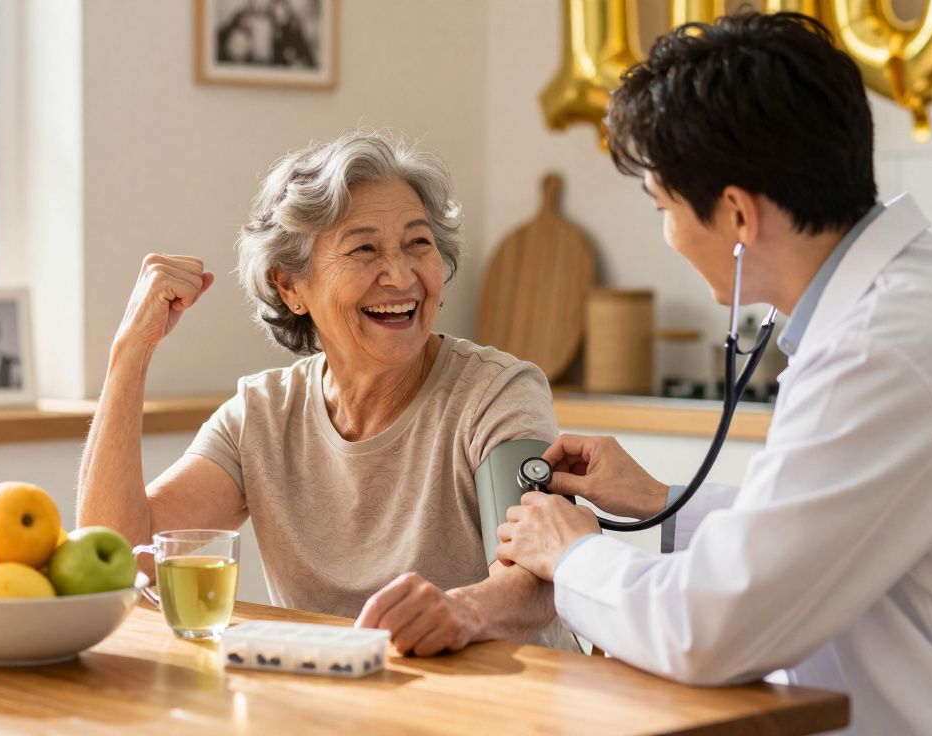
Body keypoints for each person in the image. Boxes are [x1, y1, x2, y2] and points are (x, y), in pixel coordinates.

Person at [494, 12, 932, 734]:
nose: (668, 233)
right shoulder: (930, 281)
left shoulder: (880, 350)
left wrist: (571, 553)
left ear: (737, 214)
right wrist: (659, 499)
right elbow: (837, 516)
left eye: (664, 208)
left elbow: (708, 631)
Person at [78, 130, 568, 656]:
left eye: (418, 243)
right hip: (340, 702)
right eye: (364, 249)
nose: (401, 275)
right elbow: (119, 557)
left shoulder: (498, 394)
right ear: (291, 287)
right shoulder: (262, 416)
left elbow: (537, 579)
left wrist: (462, 611)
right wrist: (130, 352)